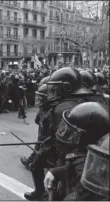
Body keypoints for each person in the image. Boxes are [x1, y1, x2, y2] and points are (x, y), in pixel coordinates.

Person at [24, 67, 94, 201]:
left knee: (55, 181)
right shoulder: (88, 98)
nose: (53, 92)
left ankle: (41, 193)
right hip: (85, 152)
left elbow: (60, 138)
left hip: (71, 151)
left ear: (66, 87)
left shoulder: (62, 107)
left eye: (56, 89)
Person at [43, 102, 109, 200]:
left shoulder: (93, 167)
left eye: (72, 133)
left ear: (87, 137)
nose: (65, 134)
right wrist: (55, 172)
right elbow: (73, 168)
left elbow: (82, 195)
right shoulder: (86, 155)